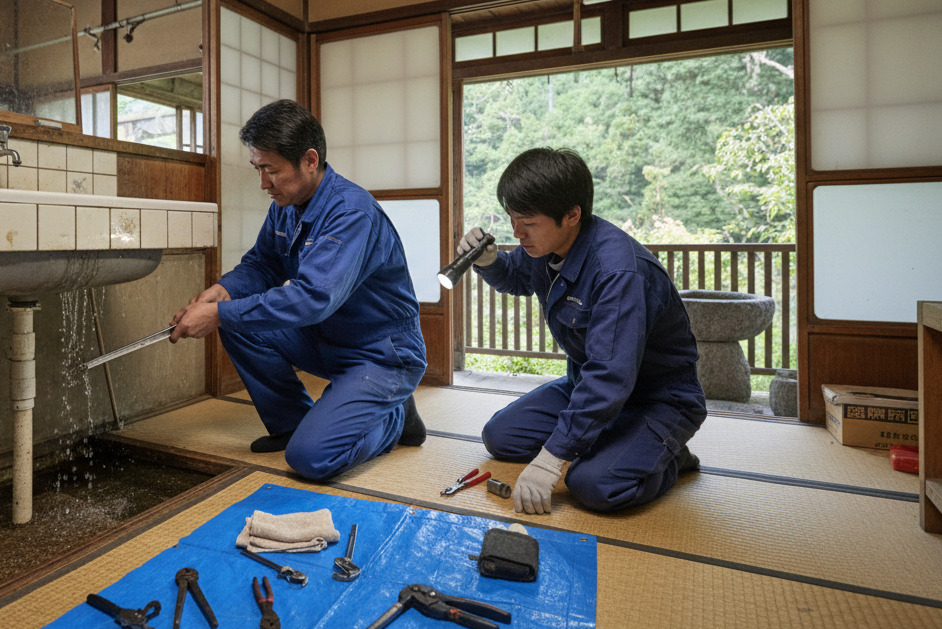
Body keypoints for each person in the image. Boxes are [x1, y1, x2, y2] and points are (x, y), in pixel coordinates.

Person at [169, 99, 428, 481]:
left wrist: (219, 314)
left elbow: (311, 298)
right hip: (328, 339)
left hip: (380, 352)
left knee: (311, 459)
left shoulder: (351, 213)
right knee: (238, 323)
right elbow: (263, 263)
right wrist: (222, 291)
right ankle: (292, 422)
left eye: (271, 170)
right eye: (258, 169)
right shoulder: (287, 204)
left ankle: (394, 417)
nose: (263, 183)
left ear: (309, 160)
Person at [462, 147, 705, 515]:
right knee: (501, 437)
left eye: (528, 222)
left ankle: (671, 457)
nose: (517, 233)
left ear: (572, 214)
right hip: (588, 387)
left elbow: (609, 377)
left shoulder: (618, 272)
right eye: (512, 219)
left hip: (657, 400)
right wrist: (489, 260)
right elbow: (516, 277)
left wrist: (551, 461)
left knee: (593, 485)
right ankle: (612, 441)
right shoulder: (545, 247)